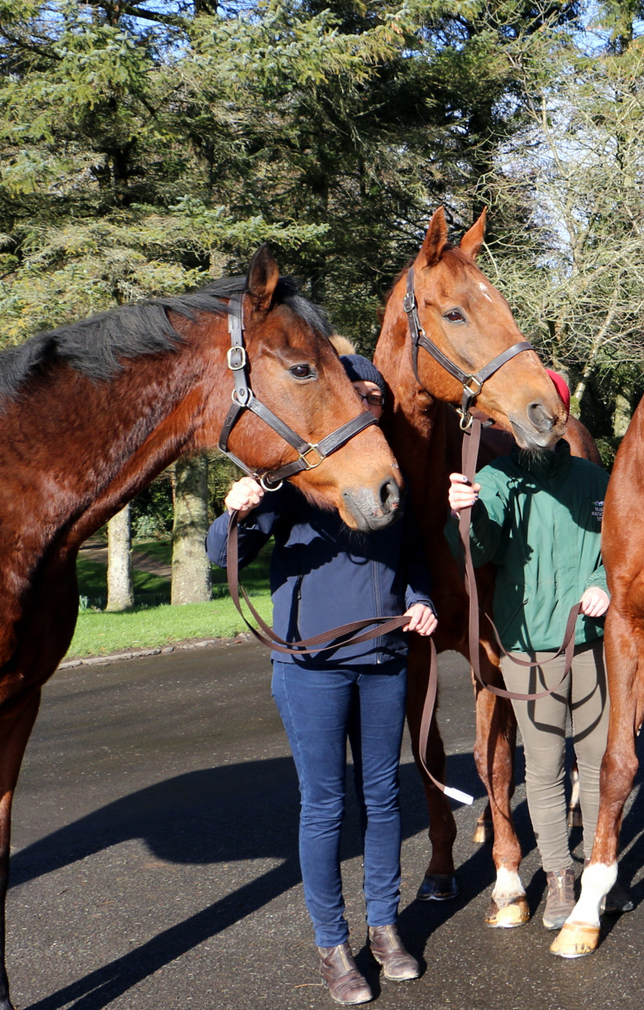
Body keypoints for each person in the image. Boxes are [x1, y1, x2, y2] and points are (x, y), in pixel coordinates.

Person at [206, 354, 437, 1006]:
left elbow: (415, 555)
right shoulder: (294, 480)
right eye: (357, 392)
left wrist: (423, 598)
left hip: (385, 658)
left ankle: (385, 928)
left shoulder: (390, 478)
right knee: (324, 805)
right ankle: (334, 948)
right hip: (311, 667)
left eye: (376, 396)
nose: (368, 402)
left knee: (385, 796)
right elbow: (221, 550)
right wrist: (238, 512)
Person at [445, 435, 610, 931]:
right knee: (542, 768)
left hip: (588, 638)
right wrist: (464, 515)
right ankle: (559, 875)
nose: (533, 434)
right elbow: (476, 552)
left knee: (599, 760)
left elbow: (621, 545)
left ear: (558, 419)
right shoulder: (495, 479)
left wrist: (602, 583)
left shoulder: (594, 479)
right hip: (525, 645)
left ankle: (603, 868)